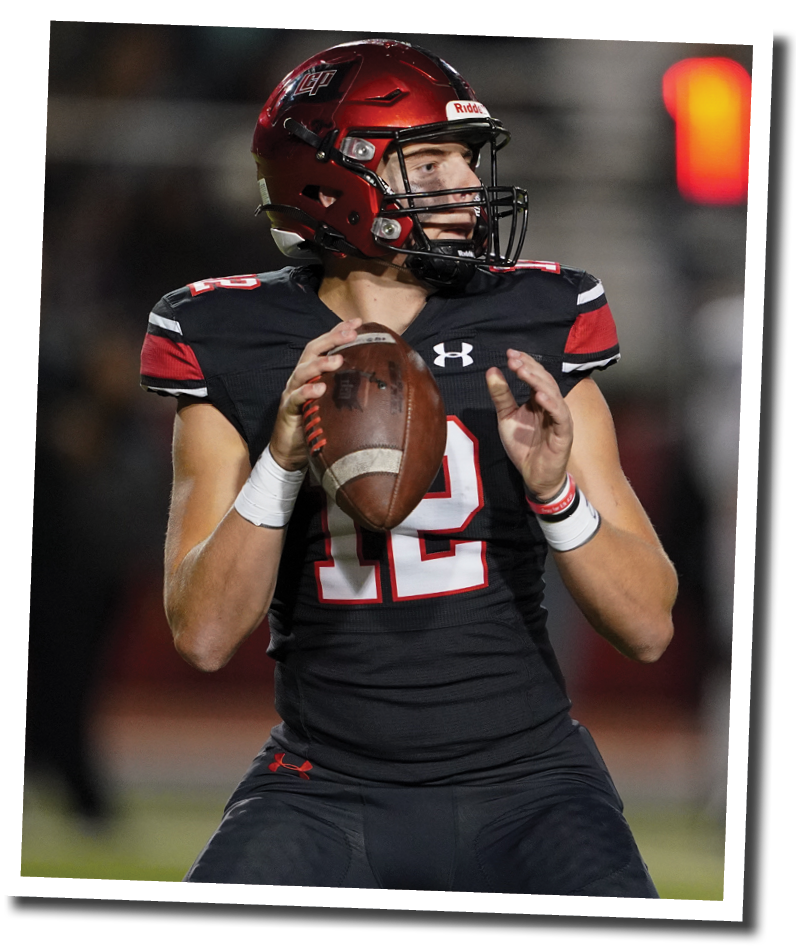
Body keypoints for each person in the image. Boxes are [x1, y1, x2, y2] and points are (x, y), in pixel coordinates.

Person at [140, 38, 677, 895]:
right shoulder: (223, 335)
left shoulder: (537, 314)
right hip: (325, 789)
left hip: (532, 785)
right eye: (428, 162)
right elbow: (203, 638)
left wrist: (557, 493)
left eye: (465, 160)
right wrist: (281, 458)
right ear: (330, 179)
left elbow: (649, 627)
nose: (466, 187)